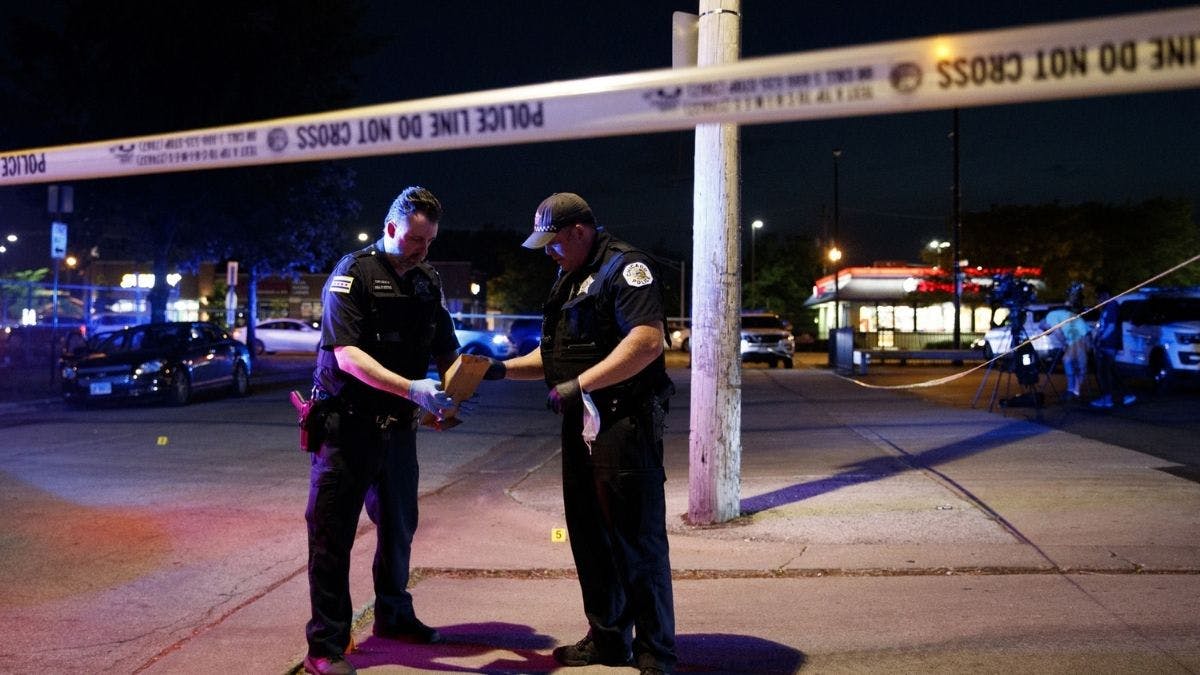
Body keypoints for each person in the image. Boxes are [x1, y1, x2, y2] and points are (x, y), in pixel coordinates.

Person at [487, 193, 677, 675]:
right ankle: (609, 639)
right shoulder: (569, 277)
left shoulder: (626, 268)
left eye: (553, 242)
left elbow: (646, 341)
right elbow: (555, 357)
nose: (549, 252)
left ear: (578, 231)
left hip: (624, 422)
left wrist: (581, 385)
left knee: (636, 541)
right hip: (583, 423)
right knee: (590, 538)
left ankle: (655, 653)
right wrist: (499, 369)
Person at [302, 186, 460, 675]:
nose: (422, 250)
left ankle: (393, 615)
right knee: (332, 536)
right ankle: (325, 646)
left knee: (398, 528)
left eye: (429, 241)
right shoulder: (353, 275)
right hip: (346, 427)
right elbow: (348, 357)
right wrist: (413, 389)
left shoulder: (427, 280)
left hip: (398, 431)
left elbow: (446, 349)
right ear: (391, 228)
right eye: (415, 239)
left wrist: (454, 394)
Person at [1042, 282, 1090, 401]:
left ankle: (1073, 391)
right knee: (1078, 365)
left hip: (1080, 336)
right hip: (1080, 334)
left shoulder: (1050, 318)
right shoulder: (1055, 315)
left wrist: (1063, 343)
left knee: (1069, 361)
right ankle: (1075, 390)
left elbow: (1058, 332)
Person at [1089, 285, 1135, 409]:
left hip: (1108, 343)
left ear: (1106, 295)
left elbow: (1111, 326)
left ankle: (1108, 398)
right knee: (1111, 370)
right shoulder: (1107, 307)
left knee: (1104, 372)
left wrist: (1101, 339)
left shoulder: (1112, 306)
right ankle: (1125, 395)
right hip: (1106, 342)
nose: (1098, 300)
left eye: (1099, 297)